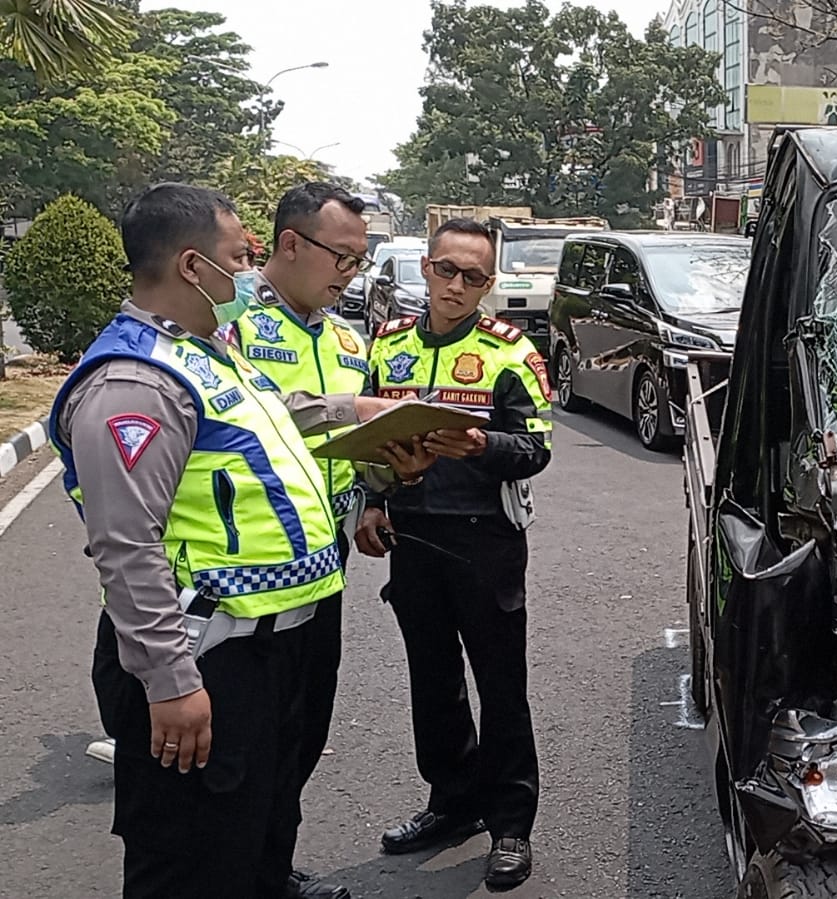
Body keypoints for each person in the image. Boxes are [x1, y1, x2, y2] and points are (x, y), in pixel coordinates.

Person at [48, 182, 431, 899]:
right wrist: (170, 682)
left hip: (269, 648)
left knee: (248, 828)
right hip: (207, 654)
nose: (250, 271)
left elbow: (275, 413)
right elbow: (127, 547)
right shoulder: (134, 381)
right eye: (240, 255)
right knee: (190, 854)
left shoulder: (204, 351)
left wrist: (367, 409)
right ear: (193, 266)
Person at [358, 217, 554, 891]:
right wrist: (374, 503)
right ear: (426, 267)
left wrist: (481, 446)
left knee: (501, 685)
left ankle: (509, 824)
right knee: (431, 678)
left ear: (488, 283)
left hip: (485, 539)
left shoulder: (510, 351)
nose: (456, 286)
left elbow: (537, 446)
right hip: (411, 536)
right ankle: (451, 801)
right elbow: (368, 444)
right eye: (446, 270)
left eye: (473, 277)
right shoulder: (385, 347)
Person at [223, 182, 376, 899]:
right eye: (342, 258)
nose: (350, 275)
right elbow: (251, 414)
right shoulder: (230, 322)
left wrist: (385, 473)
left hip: (325, 560)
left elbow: (354, 440)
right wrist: (347, 409)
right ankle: (236, 872)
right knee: (240, 746)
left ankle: (269, 868)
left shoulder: (347, 337)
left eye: (360, 261)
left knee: (302, 730)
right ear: (290, 244)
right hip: (243, 569)